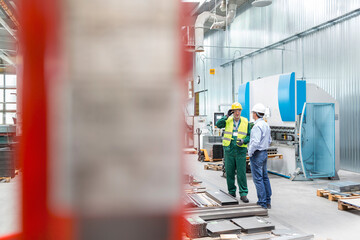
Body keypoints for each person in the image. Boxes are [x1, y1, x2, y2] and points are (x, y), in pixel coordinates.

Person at [216, 102, 251, 203]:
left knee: (241, 173)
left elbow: (249, 135)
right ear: (232, 111)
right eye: (235, 111)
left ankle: (243, 194)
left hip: (240, 150)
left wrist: (244, 141)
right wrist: (226, 116)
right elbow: (218, 125)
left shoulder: (245, 121)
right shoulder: (228, 120)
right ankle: (231, 192)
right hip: (229, 149)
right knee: (229, 172)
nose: (237, 113)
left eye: (239, 110)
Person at [248, 103, 272, 209]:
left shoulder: (257, 126)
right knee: (265, 177)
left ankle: (262, 202)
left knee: (258, 179)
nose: (252, 114)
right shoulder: (266, 125)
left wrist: (250, 152)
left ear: (256, 114)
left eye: (253, 112)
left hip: (257, 154)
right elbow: (270, 140)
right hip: (264, 153)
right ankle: (267, 201)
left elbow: (255, 142)